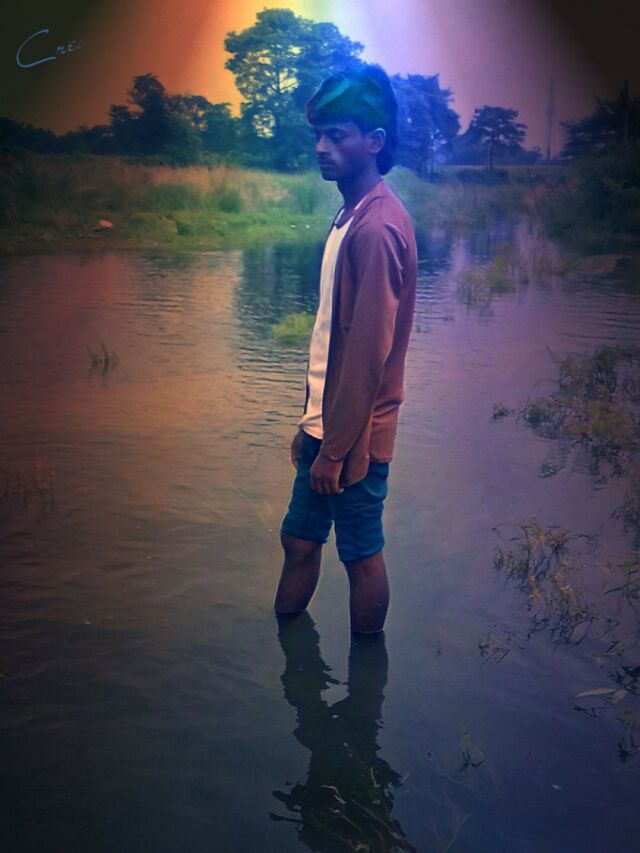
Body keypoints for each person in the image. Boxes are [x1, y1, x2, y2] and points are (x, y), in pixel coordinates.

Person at [274, 63, 417, 634]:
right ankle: (288, 657)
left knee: (360, 554)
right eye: (318, 135)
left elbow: (366, 355)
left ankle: (367, 676)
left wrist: (334, 450)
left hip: (355, 436)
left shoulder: (378, 229)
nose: (321, 147)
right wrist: (310, 423)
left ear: (374, 142)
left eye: (337, 135)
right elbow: (330, 338)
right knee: (298, 540)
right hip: (326, 426)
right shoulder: (349, 215)